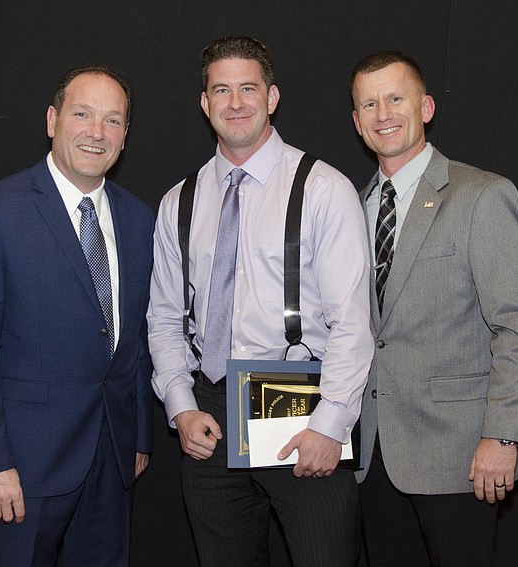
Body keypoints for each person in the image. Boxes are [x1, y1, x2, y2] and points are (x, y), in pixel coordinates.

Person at [147, 36, 373, 567]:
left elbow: (352, 322)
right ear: (205, 105)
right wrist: (180, 407)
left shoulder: (322, 188)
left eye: (248, 87)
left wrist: (331, 421)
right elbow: (163, 318)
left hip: (301, 410)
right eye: (220, 90)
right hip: (211, 418)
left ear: (272, 97)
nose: (235, 102)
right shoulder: (178, 202)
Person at [0, 65, 154, 566]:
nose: (96, 133)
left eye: (113, 120)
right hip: (23, 467)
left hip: (114, 456)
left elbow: (137, 339)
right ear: (53, 119)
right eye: (83, 114)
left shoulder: (140, 218)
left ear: (125, 134)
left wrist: (140, 433)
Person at [350, 51, 518, 566]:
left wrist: (503, 435)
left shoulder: (482, 196)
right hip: (374, 458)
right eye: (368, 104)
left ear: (427, 107)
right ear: (356, 122)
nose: (382, 113)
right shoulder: (353, 205)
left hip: (460, 457)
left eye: (396, 98)